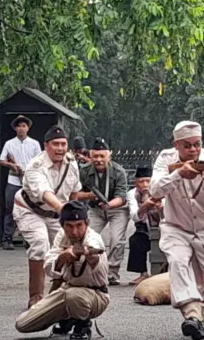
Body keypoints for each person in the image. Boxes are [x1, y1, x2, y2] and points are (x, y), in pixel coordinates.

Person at [150, 120, 204, 340]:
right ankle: (192, 315)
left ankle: (200, 315)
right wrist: (177, 175)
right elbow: (155, 190)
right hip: (176, 227)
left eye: (197, 144)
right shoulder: (166, 159)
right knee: (178, 264)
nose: (193, 150)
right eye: (187, 146)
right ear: (176, 145)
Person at [15, 201, 110, 340]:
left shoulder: (94, 238)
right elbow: (49, 266)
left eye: (79, 225)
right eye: (69, 226)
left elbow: (101, 267)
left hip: (96, 295)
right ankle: (69, 317)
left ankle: (83, 326)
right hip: (67, 291)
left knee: (74, 296)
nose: (75, 232)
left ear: (87, 223)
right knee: (22, 324)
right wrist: (62, 257)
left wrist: (92, 258)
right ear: (62, 225)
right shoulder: (62, 236)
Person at [13, 125, 81, 307]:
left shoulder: (72, 163)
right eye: (56, 144)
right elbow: (45, 193)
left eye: (63, 144)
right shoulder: (35, 166)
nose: (60, 148)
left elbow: (74, 191)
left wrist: (74, 216)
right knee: (40, 243)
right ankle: (35, 296)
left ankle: (59, 292)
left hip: (55, 214)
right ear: (46, 146)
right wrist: (63, 209)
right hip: (30, 210)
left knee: (66, 247)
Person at [77, 138, 130, 285]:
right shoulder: (84, 170)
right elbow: (75, 193)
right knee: (86, 238)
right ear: (91, 156)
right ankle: (86, 270)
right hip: (95, 209)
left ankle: (112, 272)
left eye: (102, 156)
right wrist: (89, 196)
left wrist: (109, 205)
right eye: (96, 156)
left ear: (109, 156)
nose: (99, 160)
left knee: (116, 240)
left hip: (117, 209)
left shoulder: (119, 171)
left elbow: (122, 196)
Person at [0, 115, 41, 250]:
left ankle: (28, 239)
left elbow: (40, 162)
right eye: (19, 126)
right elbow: (1, 160)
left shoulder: (34, 144)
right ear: (15, 128)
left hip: (29, 181)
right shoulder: (9, 143)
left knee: (31, 209)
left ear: (28, 128)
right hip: (13, 180)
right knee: (10, 209)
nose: (21, 129)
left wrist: (27, 170)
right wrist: (12, 166)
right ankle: (7, 239)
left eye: (24, 126)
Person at [126, 166, 162, 285]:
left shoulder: (161, 190)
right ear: (136, 183)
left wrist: (161, 209)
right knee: (135, 241)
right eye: (141, 181)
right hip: (144, 228)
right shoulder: (132, 194)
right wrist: (144, 207)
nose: (145, 184)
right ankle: (143, 273)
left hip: (163, 227)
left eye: (148, 181)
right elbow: (134, 216)